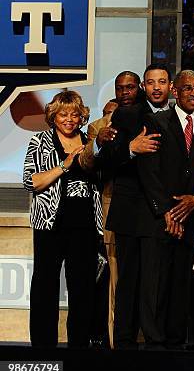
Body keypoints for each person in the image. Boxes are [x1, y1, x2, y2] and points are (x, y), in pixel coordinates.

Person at [136, 70, 194, 349]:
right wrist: (167, 211)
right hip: (161, 218)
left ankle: (177, 341)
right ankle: (154, 344)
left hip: (192, 217)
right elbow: (148, 171)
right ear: (175, 92)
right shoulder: (155, 121)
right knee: (156, 284)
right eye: (187, 88)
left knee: (183, 283)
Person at [98, 65, 174, 349]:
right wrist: (131, 147)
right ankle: (124, 343)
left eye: (162, 82)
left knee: (155, 282)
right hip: (131, 211)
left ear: (170, 87)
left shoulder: (180, 118)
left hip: (162, 212)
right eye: (151, 82)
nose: (156, 87)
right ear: (144, 85)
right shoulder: (126, 114)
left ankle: (155, 343)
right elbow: (107, 159)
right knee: (128, 280)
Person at [23, 91, 102, 348]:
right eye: (63, 114)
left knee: (83, 289)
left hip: (86, 225)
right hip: (50, 224)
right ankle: (42, 347)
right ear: (53, 116)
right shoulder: (40, 141)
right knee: (45, 286)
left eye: (75, 114)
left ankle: (79, 346)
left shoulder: (90, 142)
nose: (69, 119)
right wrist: (65, 165)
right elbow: (31, 181)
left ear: (82, 117)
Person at [80, 71, 143, 348]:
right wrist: (99, 142)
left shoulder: (149, 119)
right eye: (121, 88)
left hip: (146, 207)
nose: (126, 92)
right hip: (112, 205)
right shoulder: (99, 127)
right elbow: (87, 162)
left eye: (131, 87)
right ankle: (115, 340)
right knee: (115, 276)